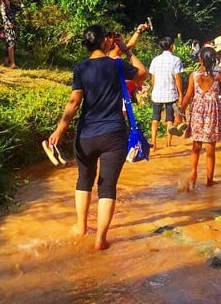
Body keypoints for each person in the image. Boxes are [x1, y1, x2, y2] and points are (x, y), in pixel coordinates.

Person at [47, 24, 147, 250]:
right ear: (105, 41)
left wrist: (59, 131)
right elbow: (142, 74)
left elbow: (74, 102)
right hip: (113, 134)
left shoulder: (80, 68)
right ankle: (100, 239)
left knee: (84, 179)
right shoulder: (117, 65)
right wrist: (128, 51)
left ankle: (81, 227)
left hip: (86, 134)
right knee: (107, 186)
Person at [180, 45, 221, 190]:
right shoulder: (218, 76)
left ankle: (193, 175)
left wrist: (180, 113)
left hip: (198, 113)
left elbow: (188, 96)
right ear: (214, 60)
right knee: (210, 149)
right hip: (212, 113)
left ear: (200, 60)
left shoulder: (194, 76)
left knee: (196, 146)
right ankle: (209, 180)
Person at [148, 36, 185, 149]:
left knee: (155, 119)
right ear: (171, 46)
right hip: (170, 93)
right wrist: (180, 94)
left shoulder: (155, 60)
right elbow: (177, 78)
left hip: (157, 94)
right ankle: (168, 145)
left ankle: (153, 145)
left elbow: (152, 80)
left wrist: (156, 88)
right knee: (170, 119)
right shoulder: (176, 60)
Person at [108, 23, 150, 102]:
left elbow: (130, 45)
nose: (124, 43)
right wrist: (134, 81)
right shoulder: (116, 60)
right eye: (122, 41)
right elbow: (143, 73)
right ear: (117, 43)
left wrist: (138, 32)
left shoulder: (106, 56)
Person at [0, 0, 23, 68]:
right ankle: (12, 63)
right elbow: (4, 16)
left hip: (13, 26)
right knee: (11, 43)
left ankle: (6, 61)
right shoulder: (3, 4)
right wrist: (8, 23)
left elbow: (21, 8)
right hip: (7, 26)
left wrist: (20, 0)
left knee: (11, 44)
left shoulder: (12, 5)